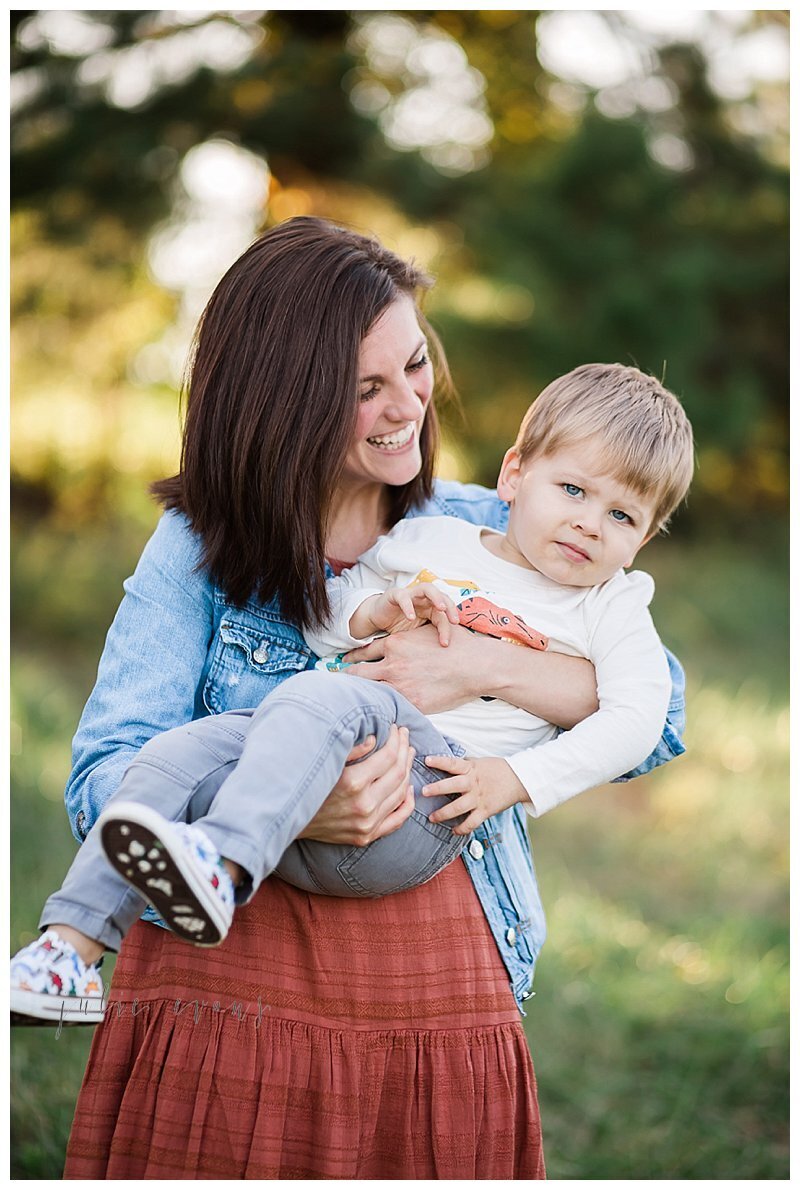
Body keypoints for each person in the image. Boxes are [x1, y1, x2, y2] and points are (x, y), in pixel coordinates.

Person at [25, 217, 686, 1179]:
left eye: (414, 366)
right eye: (365, 388)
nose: (406, 407)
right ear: (283, 399)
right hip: (232, 967)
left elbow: (657, 713)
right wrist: (301, 810)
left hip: (428, 951)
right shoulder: (196, 549)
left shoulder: (483, 523)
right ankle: (63, 949)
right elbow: (103, 784)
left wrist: (483, 669)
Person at [10, 363, 692, 1019]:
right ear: (514, 475)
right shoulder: (435, 537)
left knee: (327, 699)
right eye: (573, 491)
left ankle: (221, 862)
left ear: (644, 541)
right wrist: (375, 613)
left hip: (421, 805)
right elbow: (322, 619)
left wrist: (514, 777)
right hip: (314, 772)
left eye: (623, 517)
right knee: (176, 754)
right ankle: (68, 951)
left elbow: (645, 719)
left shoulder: (612, 606)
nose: (589, 524)